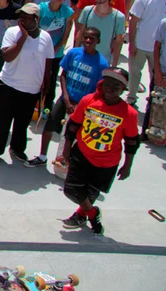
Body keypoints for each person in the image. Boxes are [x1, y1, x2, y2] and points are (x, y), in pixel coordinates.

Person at [60, 67, 139, 236]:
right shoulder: (88, 100)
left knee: (90, 194)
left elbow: (132, 141)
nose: (109, 89)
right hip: (82, 154)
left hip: (107, 162)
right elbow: (73, 125)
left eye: (116, 87)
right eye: (107, 85)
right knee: (71, 190)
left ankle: (81, 215)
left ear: (123, 89)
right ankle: (93, 214)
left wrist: (128, 165)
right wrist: (66, 149)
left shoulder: (129, 113)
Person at [24, 27, 108, 168]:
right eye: (85, 37)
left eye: (92, 38)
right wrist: (66, 97)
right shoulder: (73, 53)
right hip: (65, 99)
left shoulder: (102, 64)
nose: (88, 40)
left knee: (74, 135)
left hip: (83, 106)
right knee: (49, 127)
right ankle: (42, 156)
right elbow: (63, 75)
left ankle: (69, 163)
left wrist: (82, 105)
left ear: (98, 41)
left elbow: (99, 90)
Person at [0, 3, 53, 167]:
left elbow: (48, 64)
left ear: (36, 19)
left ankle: (17, 149)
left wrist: (46, 86)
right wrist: (23, 38)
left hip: (31, 90)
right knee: (2, 123)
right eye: (21, 17)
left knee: (22, 124)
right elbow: (7, 57)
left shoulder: (46, 38)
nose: (22, 20)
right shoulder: (12, 32)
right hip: (9, 86)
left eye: (27, 17)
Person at [127, 0, 166, 106]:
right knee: (134, 73)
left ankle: (152, 98)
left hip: (160, 49)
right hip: (140, 44)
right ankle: (131, 97)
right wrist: (132, 43)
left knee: (156, 76)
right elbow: (133, 21)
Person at [38, 0, 75, 115]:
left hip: (56, 52)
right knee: (37, 77)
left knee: (51, 79)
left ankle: (47, 107)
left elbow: (66, 33)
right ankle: (35, 104)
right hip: (39, 50)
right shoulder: (41, 8)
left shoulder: (67, 12)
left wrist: (57, 47)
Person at [75, 0, 125, 67]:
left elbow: (118, 42)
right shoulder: (87, 11)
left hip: (103, 61)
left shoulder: (119, 17)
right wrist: (75, 54)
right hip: (84, 57)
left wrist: (114, 65)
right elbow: (80, 34)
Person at [142, 17, 166, 140]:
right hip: (162, 69)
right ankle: (146, 133)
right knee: (154, 101)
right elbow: (157, 47)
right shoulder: (164, 23)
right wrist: (157, 71)